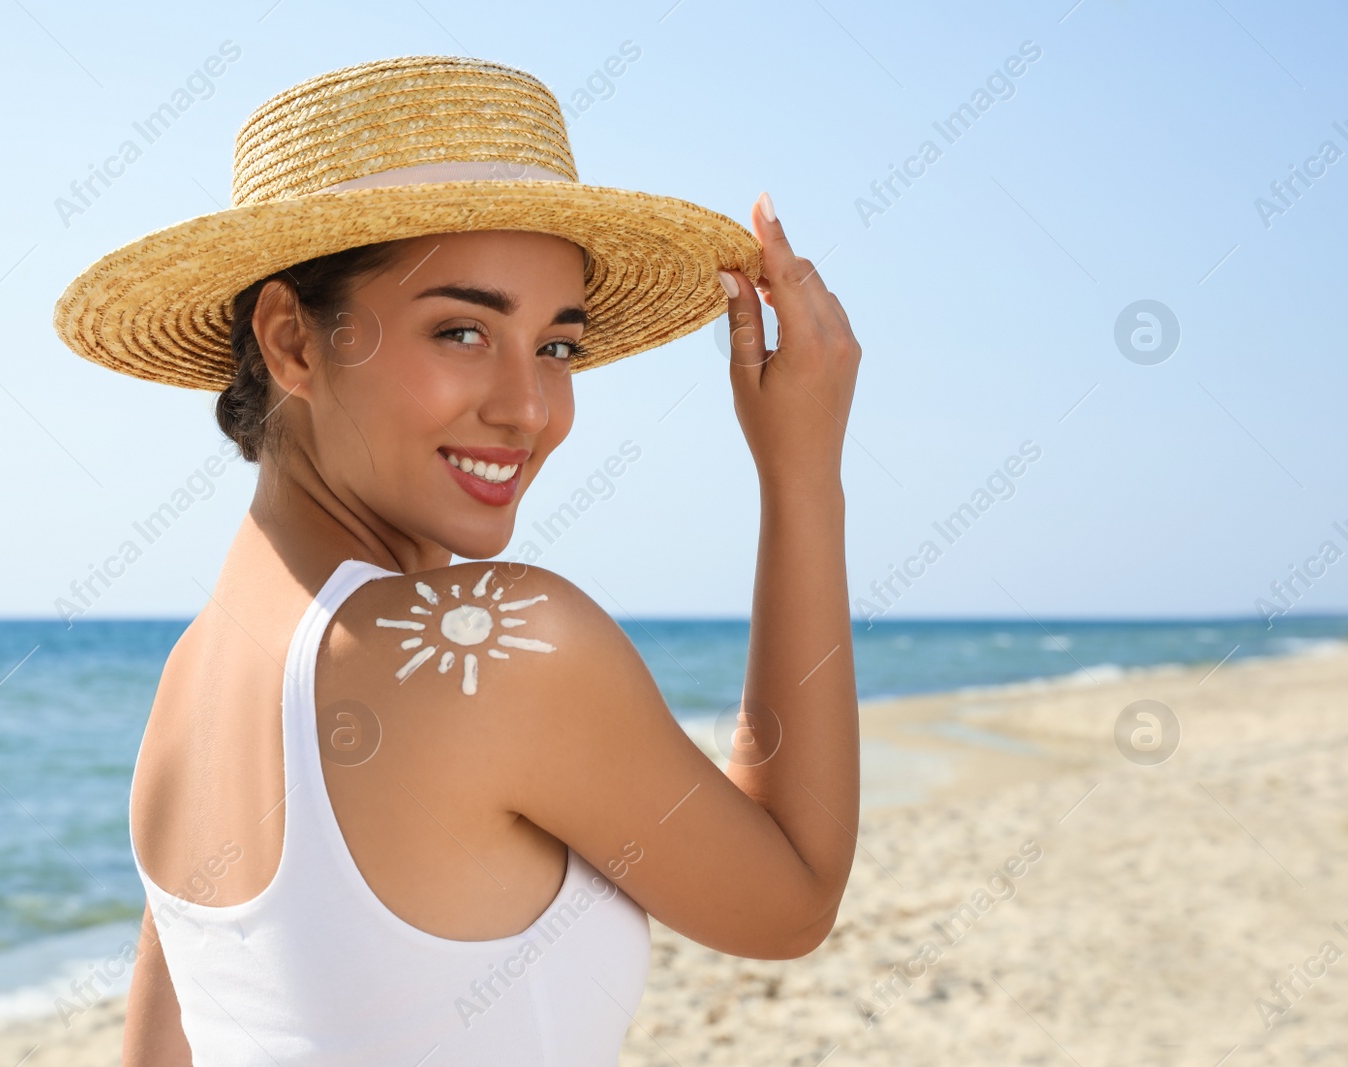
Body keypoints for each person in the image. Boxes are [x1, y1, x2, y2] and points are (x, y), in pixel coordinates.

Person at [52, 53, 861, 1067]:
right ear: (293, 342)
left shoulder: (190, 684)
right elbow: (791, 896)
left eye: (557, 346)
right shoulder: (500, 648)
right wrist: (803, 476)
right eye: (463, 329)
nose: (529, 406)